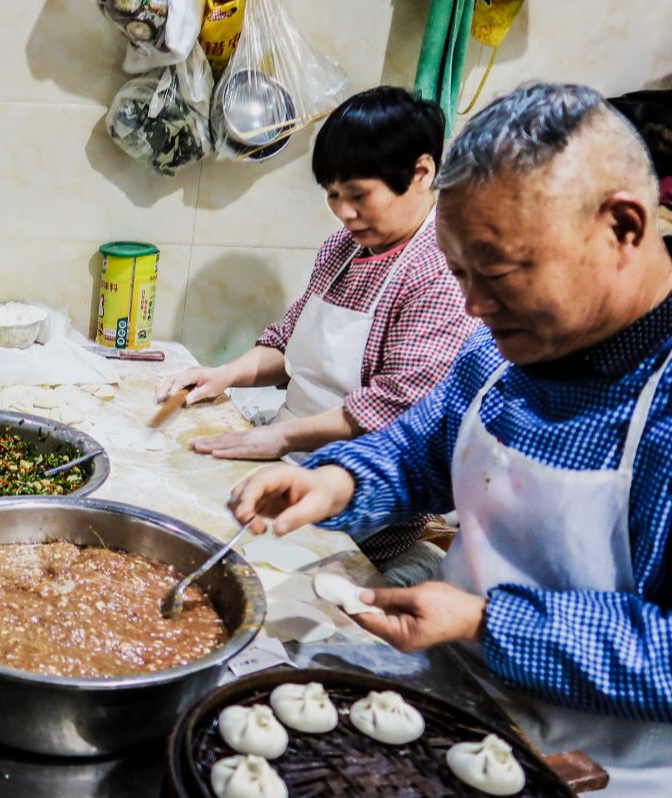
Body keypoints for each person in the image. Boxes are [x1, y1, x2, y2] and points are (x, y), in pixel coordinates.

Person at [230, 83, 672, 793]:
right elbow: (419, 447)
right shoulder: (498, 355)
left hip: (608, 770)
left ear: (621, 227)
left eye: (496, 273)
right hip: (458, 706)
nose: (472, 306)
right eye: (461, 273)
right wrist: (335, 479)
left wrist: (487, 620)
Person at [162, 86, 478, 570]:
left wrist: (283, 440)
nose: (344, 212)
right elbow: (288, 344)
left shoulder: (439, 271)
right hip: (284, 454)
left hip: (359, 502)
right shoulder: (343, 248)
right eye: (333, 195)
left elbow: (396, 410)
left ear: (421, 173)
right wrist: (223, 374)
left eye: (358, 196)